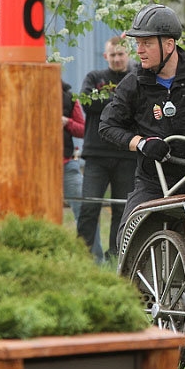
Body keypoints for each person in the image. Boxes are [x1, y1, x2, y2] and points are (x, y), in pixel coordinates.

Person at [100, 4, 185, 248]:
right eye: (137, 43)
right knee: (128, 236)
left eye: (146, 43)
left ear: (169, 45)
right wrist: (141, 143)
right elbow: (108, 126)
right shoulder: (133, 84)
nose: (138, 51)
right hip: (155, 182)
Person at [76, 36, 138, 261]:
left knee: (122, 211)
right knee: (89, 207)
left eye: (121, 54)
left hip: (126, 153)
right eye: (113, 55)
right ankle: (81, 256)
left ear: (127, 55)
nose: (117, 58)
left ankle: (116, 259)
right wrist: (122, 102)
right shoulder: (95, 77)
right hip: (96, 155)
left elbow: (139, 106)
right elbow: (86, 102)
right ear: (106, 56)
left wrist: (109, 102)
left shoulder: (136, 76)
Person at [62, 81, 86, 221]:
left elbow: (83, 130)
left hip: (66, 163)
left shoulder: (69, 97)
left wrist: (67, 122)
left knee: (84, 212)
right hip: (35, 168)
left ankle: (89, 244)